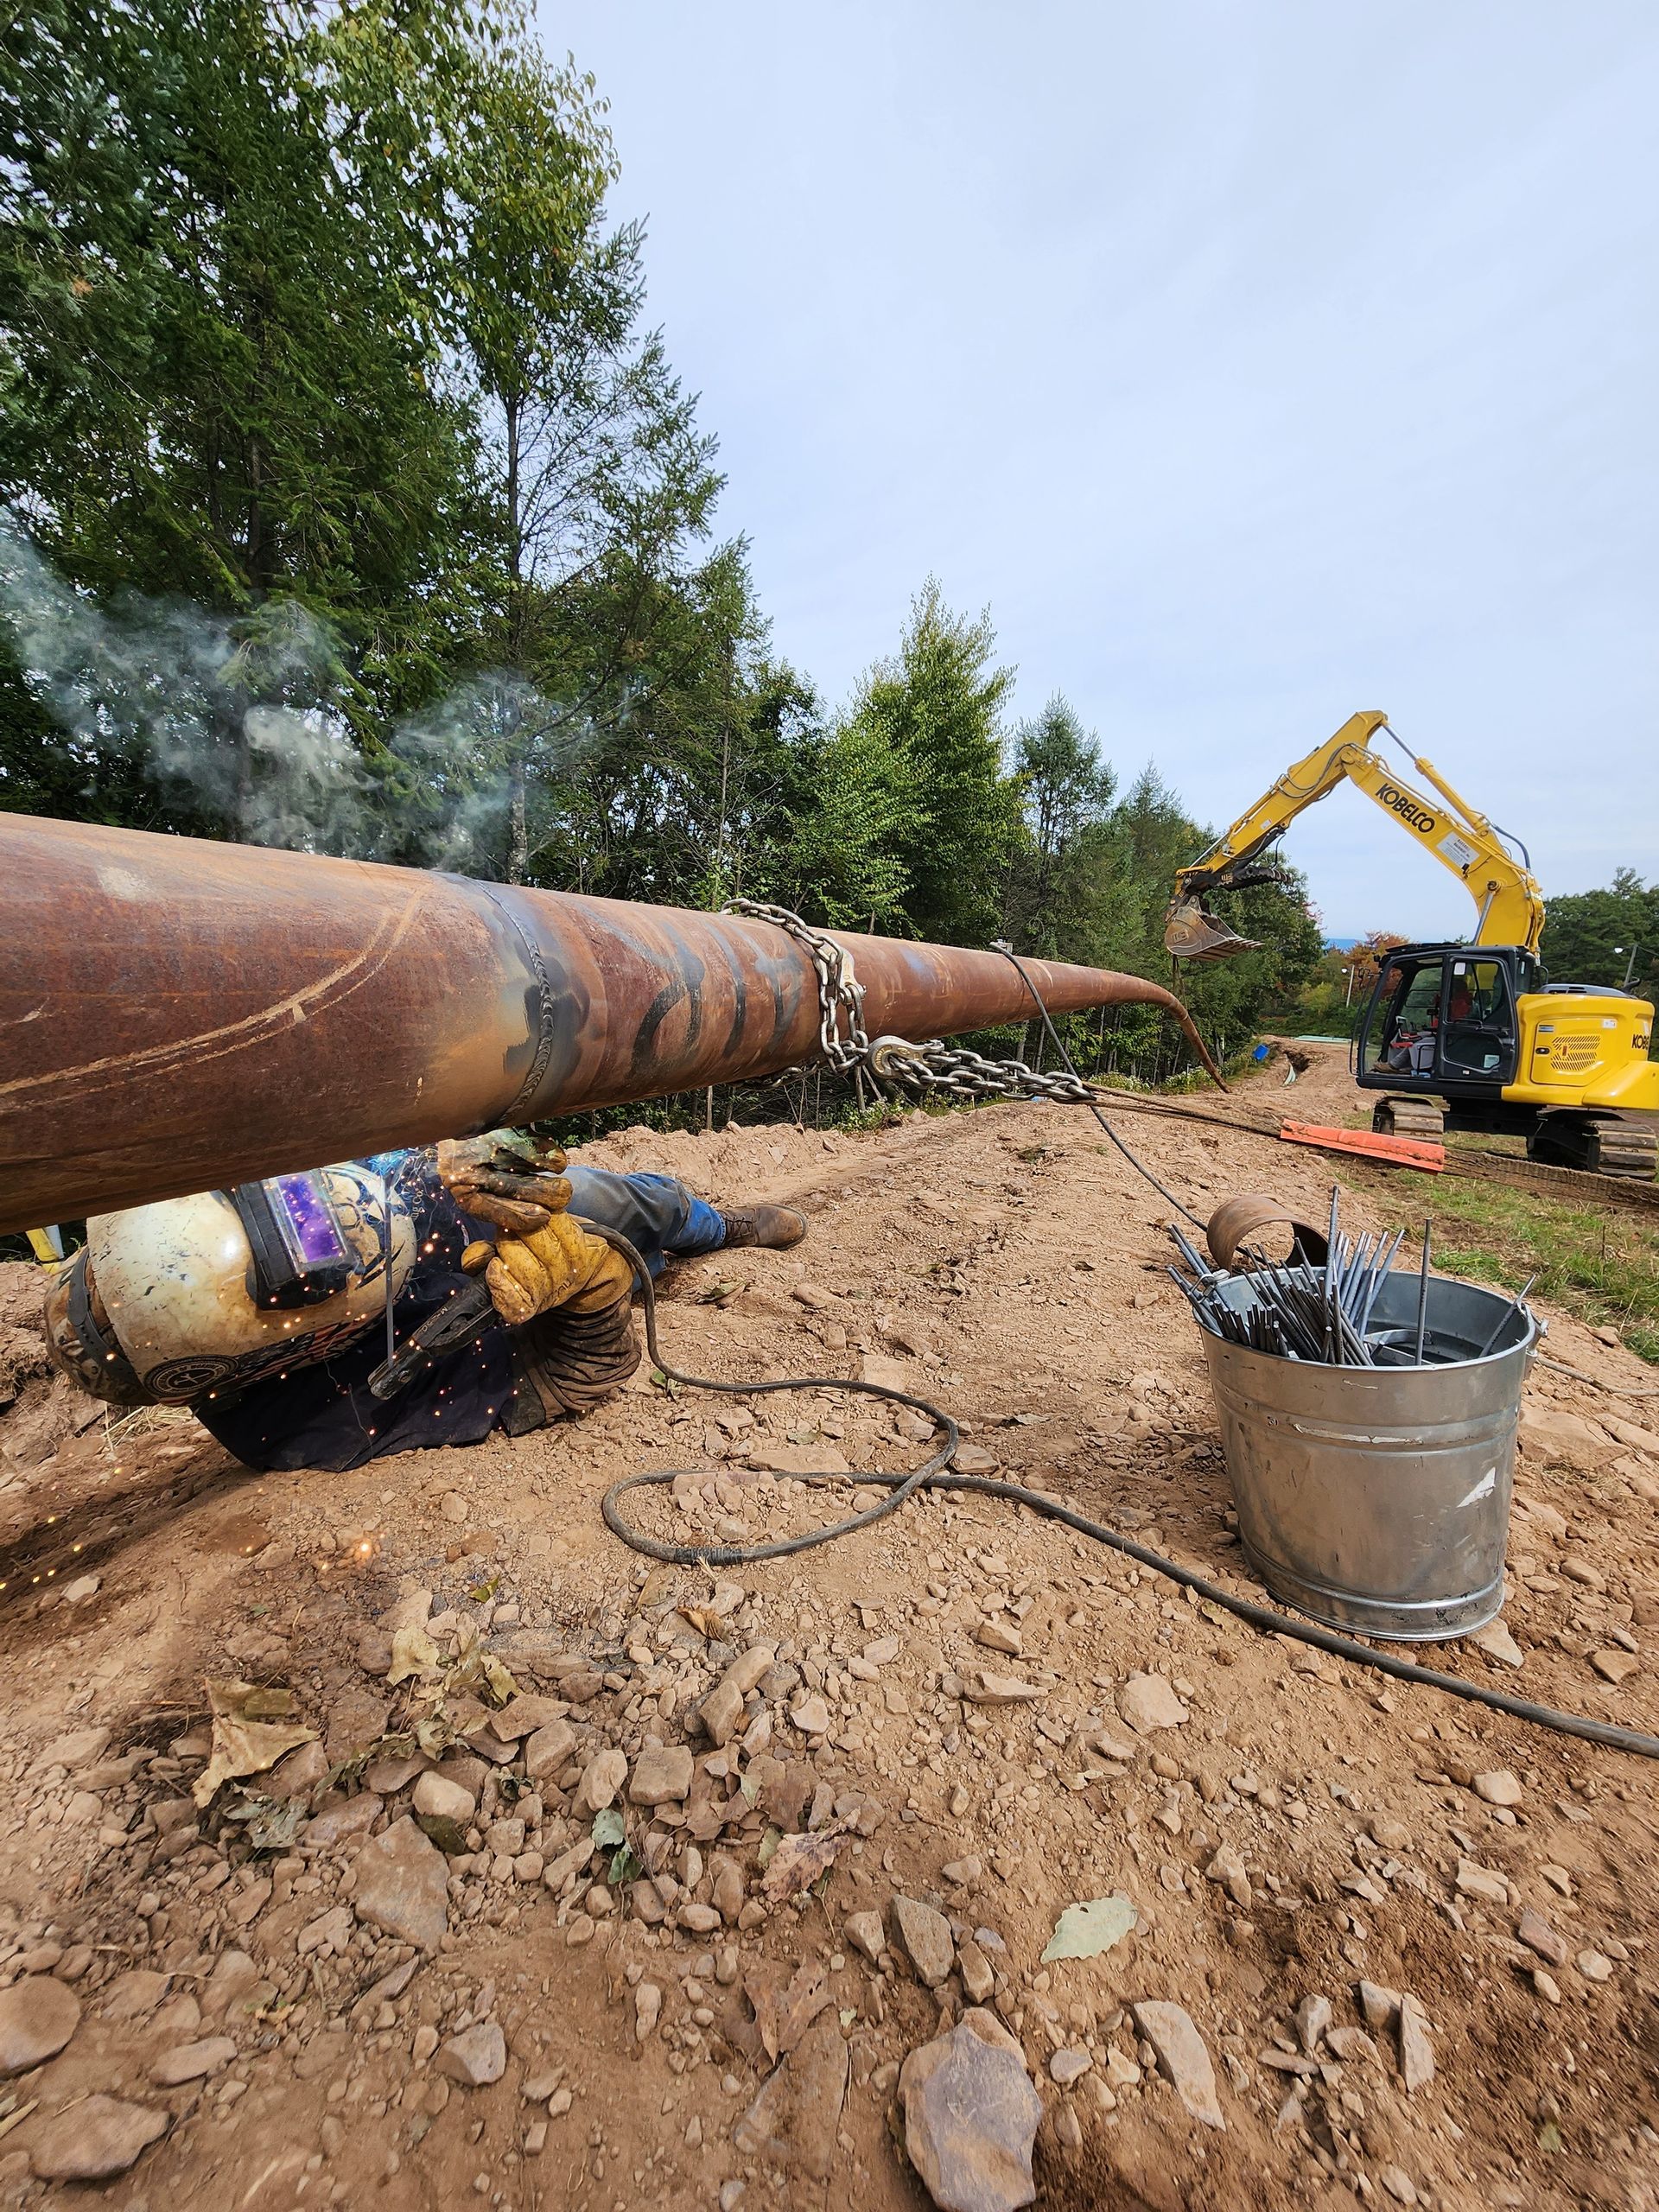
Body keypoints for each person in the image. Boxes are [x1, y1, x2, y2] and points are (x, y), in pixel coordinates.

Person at [42, 1134, 805, 1474]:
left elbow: (358, 1145)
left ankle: (721, 1226)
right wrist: (587, 1296)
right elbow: (565, 1382)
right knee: (626, 1261)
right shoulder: (307, 1424)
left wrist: (459, 1148)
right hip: (514, 1294)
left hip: (465, 1192)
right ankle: (648, 1262)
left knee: (643, 1202)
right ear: (278, 1349)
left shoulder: (229, 1177)